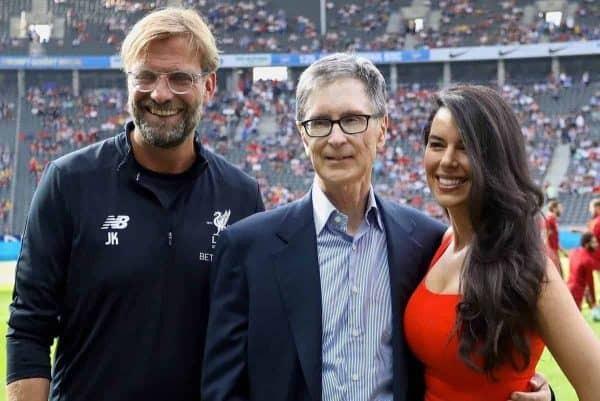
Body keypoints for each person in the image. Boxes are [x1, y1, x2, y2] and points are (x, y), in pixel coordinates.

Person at [201, 55, 551, 401]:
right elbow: (222, 390)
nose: (336, 137)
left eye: (352, 120)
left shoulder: (426, 242)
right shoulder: (247, 248)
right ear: (303, 135)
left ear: (382, 129)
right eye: (320, 122)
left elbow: (459, 363)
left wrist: (536, 393)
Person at [6, 8, 264, 401]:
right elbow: (29, 327)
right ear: (129, 82)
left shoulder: (241, 196)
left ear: (209, 86)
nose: (160, 94)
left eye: (180, 78)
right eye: (145, 76)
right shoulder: (69, 182)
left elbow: (256, 334)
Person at [404, 84, 600, 401]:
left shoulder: (528, 269)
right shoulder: (440, 244)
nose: (447, 160)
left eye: (466, 147)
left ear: (494, 159)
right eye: (437, 144)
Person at [567, 233, 600, 310]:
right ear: (586, 245)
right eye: (594, 242)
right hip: (577, 292)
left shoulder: (574, 252)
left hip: (568, 287)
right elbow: (590, 282)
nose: (597, 245)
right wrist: (594, 302)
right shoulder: (587, 260)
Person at [544, 200, 563, 277]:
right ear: (554, 208)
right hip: (551, 249)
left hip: (553, 248)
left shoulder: (552, 219)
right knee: (555, 272)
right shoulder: (550, 219)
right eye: (560, 207)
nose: (561, 209)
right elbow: (546, 234)